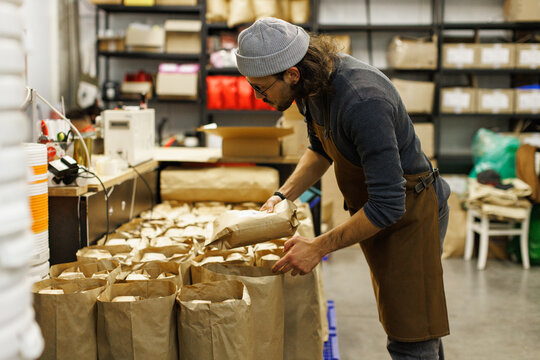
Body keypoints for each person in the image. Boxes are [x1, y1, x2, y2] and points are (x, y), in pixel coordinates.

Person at [235, 18, 451, 359]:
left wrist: (318, 247)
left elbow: (388, 206)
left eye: (261, 88)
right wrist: (282, 195)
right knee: (412, 324)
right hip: (380, 212)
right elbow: (320, 148)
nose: (258, 97)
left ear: (291, 73)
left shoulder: (363, 101)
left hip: (410, 215)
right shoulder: (311, 86)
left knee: (411, 335)